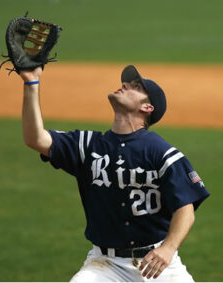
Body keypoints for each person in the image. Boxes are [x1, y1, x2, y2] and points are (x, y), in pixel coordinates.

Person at [19, 64, 210, 282]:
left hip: (159, 264)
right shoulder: (88, 146)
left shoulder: (162, 153)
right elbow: (35, 139)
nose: (125, 85)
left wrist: (168, 249)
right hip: (106, 265)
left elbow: (185, 210)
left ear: (147, 107)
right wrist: (31, 82)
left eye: (135, 86)